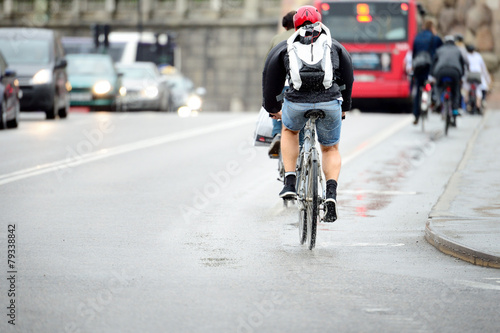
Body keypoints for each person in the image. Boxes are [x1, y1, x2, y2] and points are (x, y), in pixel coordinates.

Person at [262, 5, 354, 222]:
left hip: (297, 103)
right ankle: (330, 194)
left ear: (295, 25)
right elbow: (348, 77)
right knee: (330, 148)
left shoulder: (286, 46)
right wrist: (345, 107)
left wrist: (273, 109)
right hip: (329, 102)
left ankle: (290, 182)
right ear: (319, 22)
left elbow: (269, 78)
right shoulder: (334, 45)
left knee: (290, 130)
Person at [267, 10, 297, 158]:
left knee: (279, 109)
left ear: (285, 26)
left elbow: (268, 65)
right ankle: (301, 143)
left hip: (280, 83)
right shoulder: (306, 38)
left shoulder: (277, 39)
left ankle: (278, 135)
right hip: (299, 84)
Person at [411, 19, 443, 124]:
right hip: (430, 67)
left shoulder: (417, 37)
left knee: (418, 89)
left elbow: (413, 53)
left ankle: (416, 115)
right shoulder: (435, 38)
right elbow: (441, 53)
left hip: (418, 66)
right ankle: (434, 100)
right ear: (432, 27)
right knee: (434, 83)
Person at [431, 35, 467, 118]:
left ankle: (438, 101)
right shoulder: (457, 50)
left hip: (441, 71)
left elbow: (433, 63)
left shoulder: (439, 50)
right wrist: (461, 77)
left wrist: (432, 75)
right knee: (456, 90)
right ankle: (455, 109)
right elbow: (462, 64)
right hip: (455, 72)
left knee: (438, 86)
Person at [464, 44, 491, 110]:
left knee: (467, 88)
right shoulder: (478, 56)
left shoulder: (466, 56)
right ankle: (479, 103)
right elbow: (483, 68)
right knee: (479, 88)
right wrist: (488, 79)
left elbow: (464, 68)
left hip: (469, 75)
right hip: (478, 75)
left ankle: (467, 101)